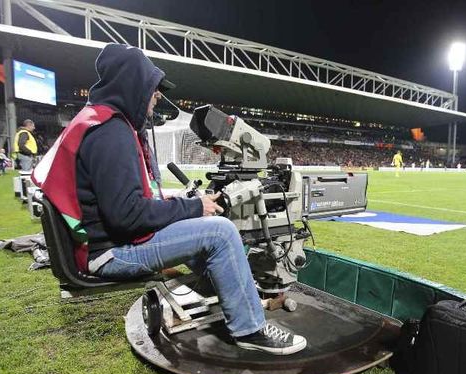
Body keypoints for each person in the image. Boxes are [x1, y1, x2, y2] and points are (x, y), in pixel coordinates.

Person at [33, 43, 307, 355]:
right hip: (111, 254)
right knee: (221, 230)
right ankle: (250, 328)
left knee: (205, 226)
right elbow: (127, 217)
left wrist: (181, 203)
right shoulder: (112, 132)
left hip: (103, 245)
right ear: (133, 85)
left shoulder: (99, 121)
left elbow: (122, 202)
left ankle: (234, 299)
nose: (158, 95)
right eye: (152, 88)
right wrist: (193, 206)